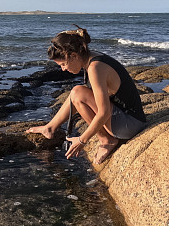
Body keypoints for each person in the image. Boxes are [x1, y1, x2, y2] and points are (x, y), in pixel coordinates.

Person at [26, 26, 147, 164]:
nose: (63, 69)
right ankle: (50, 127)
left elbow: (104, 112)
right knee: (77, 92)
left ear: (74, 55)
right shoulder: (91, 57)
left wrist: (82, 140)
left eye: (63, 64)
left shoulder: (95, 68)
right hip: (130, 118)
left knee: (78, 93)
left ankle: (106, 140)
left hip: (129, 124)